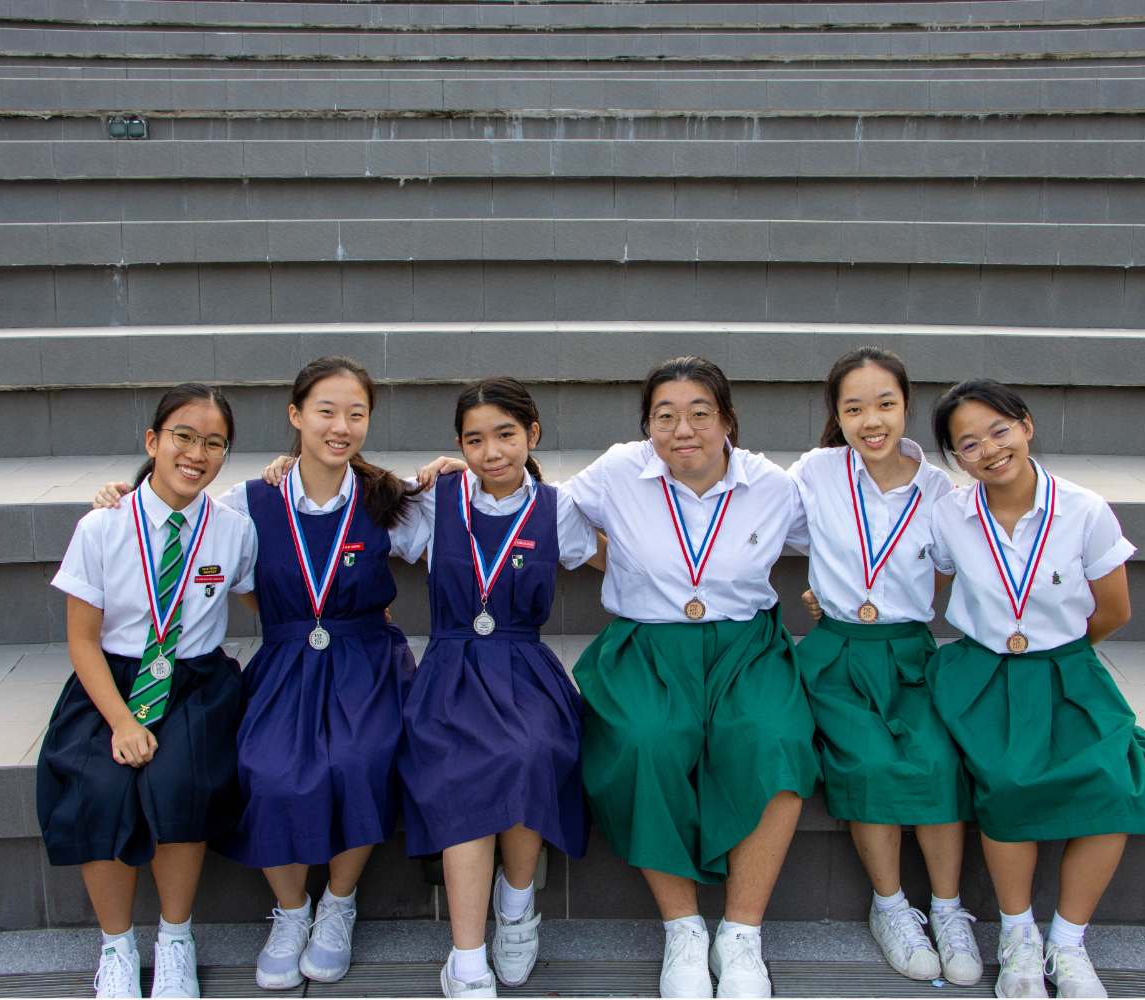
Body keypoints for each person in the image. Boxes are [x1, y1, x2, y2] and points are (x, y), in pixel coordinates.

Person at [93, 357, 428, 991]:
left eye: (356, 414)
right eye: (326, 411)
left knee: (363, 756)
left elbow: (472, 516)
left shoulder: (389, 497)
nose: (342, 426)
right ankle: (292, 910)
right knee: (269, 769)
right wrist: (119, 495)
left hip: (366, 659)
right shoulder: (248, 501)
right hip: (287, 657)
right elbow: (178, 513)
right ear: (296, 416)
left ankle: (338, 904)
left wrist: (449, 471)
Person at [562, 357, 821, 999]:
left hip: (747, 647)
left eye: (701, 413)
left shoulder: (772, 484)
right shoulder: (620, 471)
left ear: (728, 420)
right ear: (647, 425)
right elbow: (548, 515)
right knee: (643, 742)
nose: (684, 430)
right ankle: (682, 929)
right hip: (646, 645)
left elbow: (845, 533)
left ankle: (740, 934)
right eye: (665, 416)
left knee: (774, 740)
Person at [925, 378, 1145, 999]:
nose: (987, 449)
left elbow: (1113, 611)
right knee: (1006, 780)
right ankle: (1019, 935)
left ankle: (1067, 942)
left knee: (1112, 780)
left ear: (1027, 425)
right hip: (984, 673)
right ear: (955, 460)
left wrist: (1051, 654)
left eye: (999, 430)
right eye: (967, 444)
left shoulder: (1084, 509)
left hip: (1067, 667)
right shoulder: (950, 515)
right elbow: (936, 586)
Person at [381, 377, 606, 998]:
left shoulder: (557, 508)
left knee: (531, 750)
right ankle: (466, 955)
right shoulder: (436, 500)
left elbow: (623, 560)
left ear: (532, 434)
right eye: (474, 439)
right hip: (450, 666)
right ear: (458, 445)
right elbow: (348, 506)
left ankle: (515, 906)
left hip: (523, 662)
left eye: (506, 434)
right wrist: (293, 462)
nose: (492, 452)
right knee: (458, 769)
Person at [42, 383, 257, 999]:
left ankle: (175, 939)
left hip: (196, 682)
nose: (197, 453)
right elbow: (82, 641)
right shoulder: (102, 525)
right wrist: (121, 721)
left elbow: (261, 596)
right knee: (98, 788)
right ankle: (115, 946)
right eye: (183, 437)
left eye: (214, 443)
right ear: (153, 442)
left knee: (180, 784)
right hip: (111, 680)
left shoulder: (233, 529)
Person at [786, 347, 980, 986]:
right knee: (869, 762)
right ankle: (891, 906)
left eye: (886, 404)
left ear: (907, 406)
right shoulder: (815, 471)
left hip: (908, 653)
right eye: (854, 407)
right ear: (835, 416)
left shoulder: (940, 491)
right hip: (836, 654)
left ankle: (948, 911)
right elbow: (739, 500)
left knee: (938, 758)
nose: (872, 420)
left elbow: (953, 571)